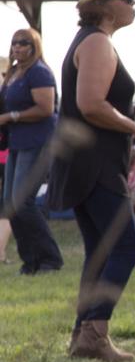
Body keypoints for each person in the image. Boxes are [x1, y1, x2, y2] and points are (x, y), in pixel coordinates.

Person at [47, 0, 135, 362]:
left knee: (100, 250)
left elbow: (93, 99)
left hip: (84, 162)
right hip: (96, 165)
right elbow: (91, 105)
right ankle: (95, 333)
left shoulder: (91, 41)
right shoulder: (97, 42)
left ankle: (82, 335)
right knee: (127, 247)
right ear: (105, 5)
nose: (134, 3)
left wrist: (131, 108)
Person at [0, 27, 64, 275]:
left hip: (38, 141)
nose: (17, 46)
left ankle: (50, 258)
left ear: (34, 46)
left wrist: (11, 117)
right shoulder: (14, 72)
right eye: (15, 42)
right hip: (17, 142)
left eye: (23, 42)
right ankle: (30, 261)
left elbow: (45, 109)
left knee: (23, 202)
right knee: (10, 204)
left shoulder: (39, 72)